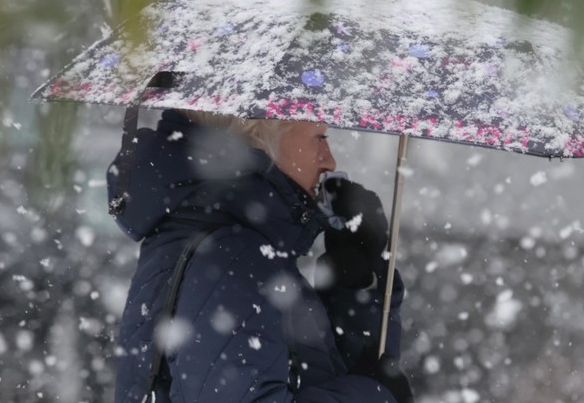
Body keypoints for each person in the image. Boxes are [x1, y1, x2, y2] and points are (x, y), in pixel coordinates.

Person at [108, 109, 413, 403]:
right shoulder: (232, 256)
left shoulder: (233, 243)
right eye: (319, 138)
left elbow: (321, 376)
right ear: (258, 137)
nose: (329, 160)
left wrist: (355, 276)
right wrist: (371, 395)